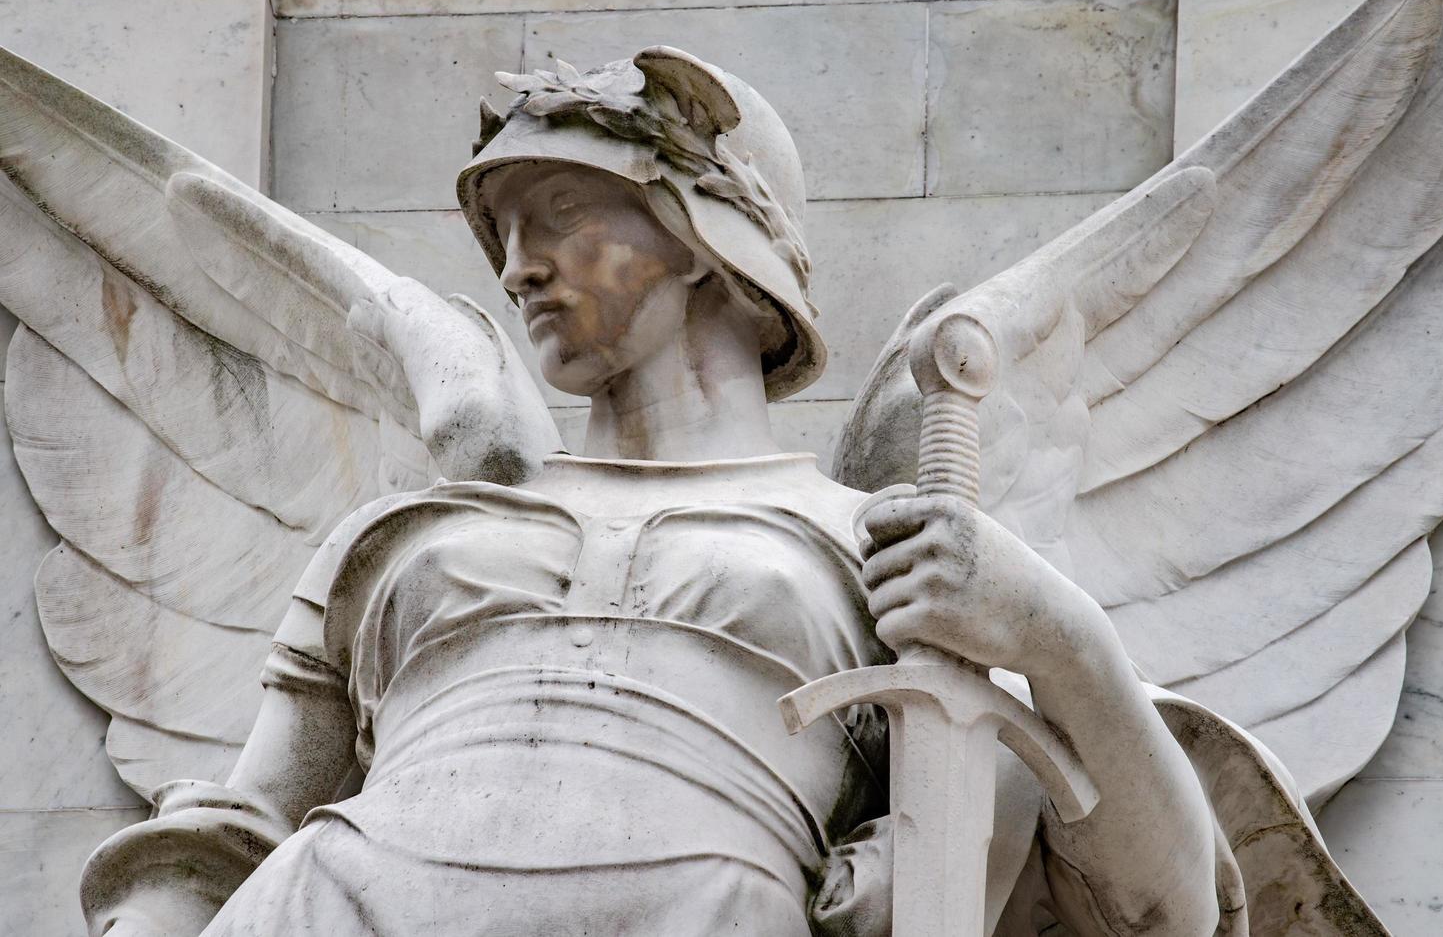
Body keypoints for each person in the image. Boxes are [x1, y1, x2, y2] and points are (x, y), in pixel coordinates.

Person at [82, 48, 1361, 937]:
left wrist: (1057, 635)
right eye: (501, 237)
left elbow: (1169, 906)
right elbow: (239, 829)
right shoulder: (404, 531)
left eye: (564, 213)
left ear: (705, 240)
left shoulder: (885, 541)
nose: (520, 270)